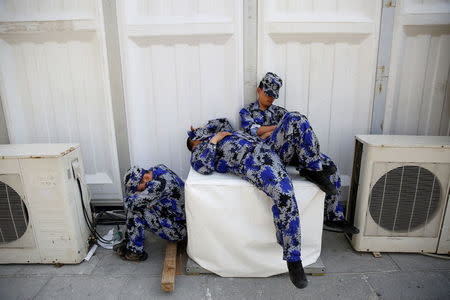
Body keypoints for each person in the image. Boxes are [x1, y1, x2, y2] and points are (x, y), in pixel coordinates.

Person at [187, 118, 308, 289]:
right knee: (285, 194)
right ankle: (294, 259)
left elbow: (223, 121)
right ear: (194, 144)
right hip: (254, 162)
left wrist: (206, 128)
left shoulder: (222, 131)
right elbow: (202, 167)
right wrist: (213, 140)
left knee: (296, 119)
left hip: (267, 147)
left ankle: (314, 167)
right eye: (198, 135)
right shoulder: (201, 150)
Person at [239, 72, 359, 234]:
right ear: (259, 90)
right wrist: (278, 128)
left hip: (290, 152)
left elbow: (292, 131)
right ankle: (311, 168)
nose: (270, 98)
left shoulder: (281, 112)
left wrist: (272, 131)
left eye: (273, 96)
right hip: (267, 154)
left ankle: (332, 217)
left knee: (330, 165)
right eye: (267, 93)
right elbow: (255, 132)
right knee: (295, 118)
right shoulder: (247, 112)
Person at [114, 165, 187, 261]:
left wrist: (136, 196)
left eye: (138, 189)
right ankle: (130, 242)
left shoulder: (158, 185)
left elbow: (130, 203)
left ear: (146, 178)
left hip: (177, 230)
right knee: (140, 204)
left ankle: (135, 252)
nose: (138, 191)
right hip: (173, 217)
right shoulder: (158, 169)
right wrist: (139, 195)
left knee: (136, 211)